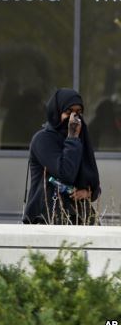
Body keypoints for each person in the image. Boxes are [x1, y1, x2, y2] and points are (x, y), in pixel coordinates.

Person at [23, 88, 100, 225]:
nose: (73, 118)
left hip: (79, 216)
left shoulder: (80, 138)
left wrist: (86, 193)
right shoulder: (43, 140)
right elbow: (65, 173)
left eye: (78, 113)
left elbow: (94, 185)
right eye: (69, 112)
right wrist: (72, 138)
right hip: (48, 216)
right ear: (57, 111)